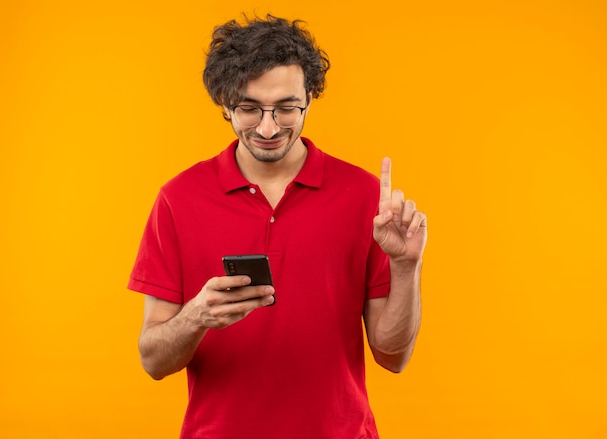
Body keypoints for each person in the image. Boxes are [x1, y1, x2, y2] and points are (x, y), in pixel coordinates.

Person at [128, 14, 427, 439]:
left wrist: (406, 266)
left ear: (310, 97)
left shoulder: (364, 197)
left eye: (287, 108)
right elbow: (153, 362)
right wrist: (195, 316)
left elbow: (392, 357)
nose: (269, 128)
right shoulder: (178, 199)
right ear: (225, 104)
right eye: (249, 108)